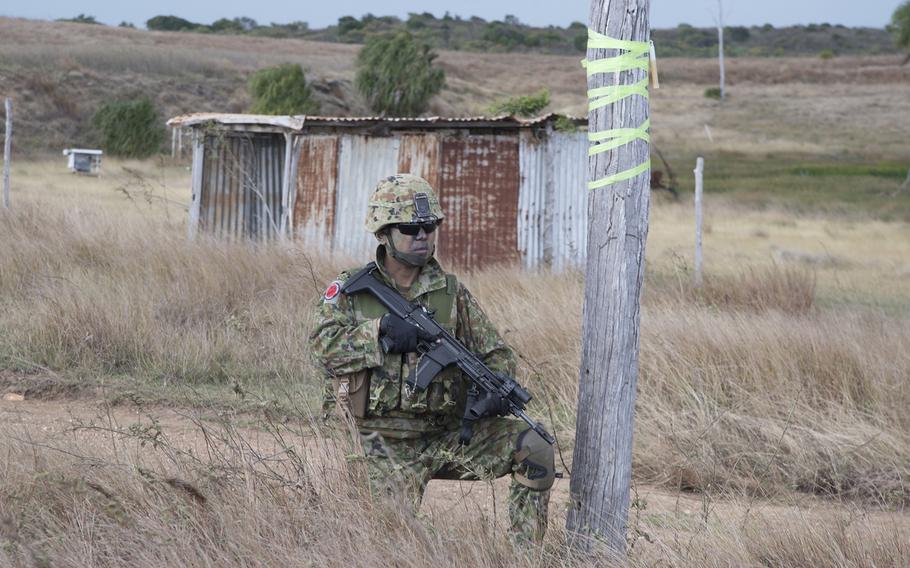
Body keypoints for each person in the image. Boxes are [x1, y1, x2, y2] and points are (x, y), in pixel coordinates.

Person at [309, 173, 555, 543]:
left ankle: (526, 557)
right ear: (383, 233)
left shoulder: (450, 292)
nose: (423, 236)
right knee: (385, 541)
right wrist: (379, 331)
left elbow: (496, 353)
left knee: (535, 446)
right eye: (411, 228)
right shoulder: (352, 291)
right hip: (380, 441)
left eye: (430, 226)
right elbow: (321, 348)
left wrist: (493, 390)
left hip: (447, 434)